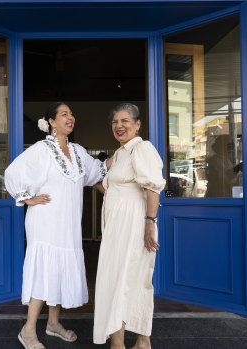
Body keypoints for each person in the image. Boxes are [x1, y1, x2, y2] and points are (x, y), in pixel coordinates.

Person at [5, 102, 108, 349]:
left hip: (68, 223)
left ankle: (52, 324)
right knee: (45, 270)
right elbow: (12, 172)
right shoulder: (41, 150)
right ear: (51, 121)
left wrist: (125, 154)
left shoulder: (79, 151)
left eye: (72, 113)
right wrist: (26, 197)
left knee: (59, 271)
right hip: (45, 221)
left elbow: (98, 172)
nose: (70, 117)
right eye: (64, 114)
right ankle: (28, 329)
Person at [93, 103, 165, 349]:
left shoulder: (142, 148)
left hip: (133, 223)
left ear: (137, 124)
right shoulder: (121, 153)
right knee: (131, 280)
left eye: (125, 121)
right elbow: (110, 186)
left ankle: (118, 343)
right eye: (115, 121)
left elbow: (153, 187)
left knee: (122, 280)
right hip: (118, 226)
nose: (119, 125)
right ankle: (142, 341)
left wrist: (149, 223)